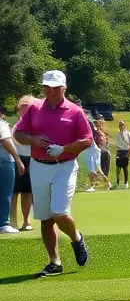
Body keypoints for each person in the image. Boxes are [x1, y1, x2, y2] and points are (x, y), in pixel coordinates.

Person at [11, 71, 93, 276]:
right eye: (46, 86)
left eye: (55, 87)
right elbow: (18, 134)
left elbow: (87, 140)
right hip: (39, 166)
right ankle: (54, 262)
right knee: (46, 218)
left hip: (64, 165)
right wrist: (33, 139)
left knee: (59, 212)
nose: (50, 90)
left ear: (64, 88)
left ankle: (76, 239)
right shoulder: (34, 109)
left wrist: (64, 148)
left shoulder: (75, 111)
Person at [10, 96, 35, 230]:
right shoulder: (16, 126)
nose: (24, 108)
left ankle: (26, 222)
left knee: (27, 192)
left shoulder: (37, 124)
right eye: (22, 106)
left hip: (32, 160)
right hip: (16, 160)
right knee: (13, 192)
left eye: (28, 106)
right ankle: (12, 222)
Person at [0, 105, 25, 235]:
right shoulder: (2, 124)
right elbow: (6, 141)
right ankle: (3, 223)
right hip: (4, 161)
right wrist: (18, 159)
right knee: (5, 192)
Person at [85, 119, 112, 192]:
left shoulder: (95, 133)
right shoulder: (91, 133)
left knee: (97, 171)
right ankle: (95, 185)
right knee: (93, 171)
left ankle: (105, 184)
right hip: (91, 153)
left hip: (94, 153)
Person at [114, 119, 130, 188]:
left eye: (122, 125)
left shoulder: (128, 133)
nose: (121, 126)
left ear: (124, 126)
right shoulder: (117, 134)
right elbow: (116, 144)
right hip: (119, 151)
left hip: (126, 151)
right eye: (120, 125)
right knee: (118, 167)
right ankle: (117, 182)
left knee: (125, 167)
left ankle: (126, 182)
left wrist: (129, 152)